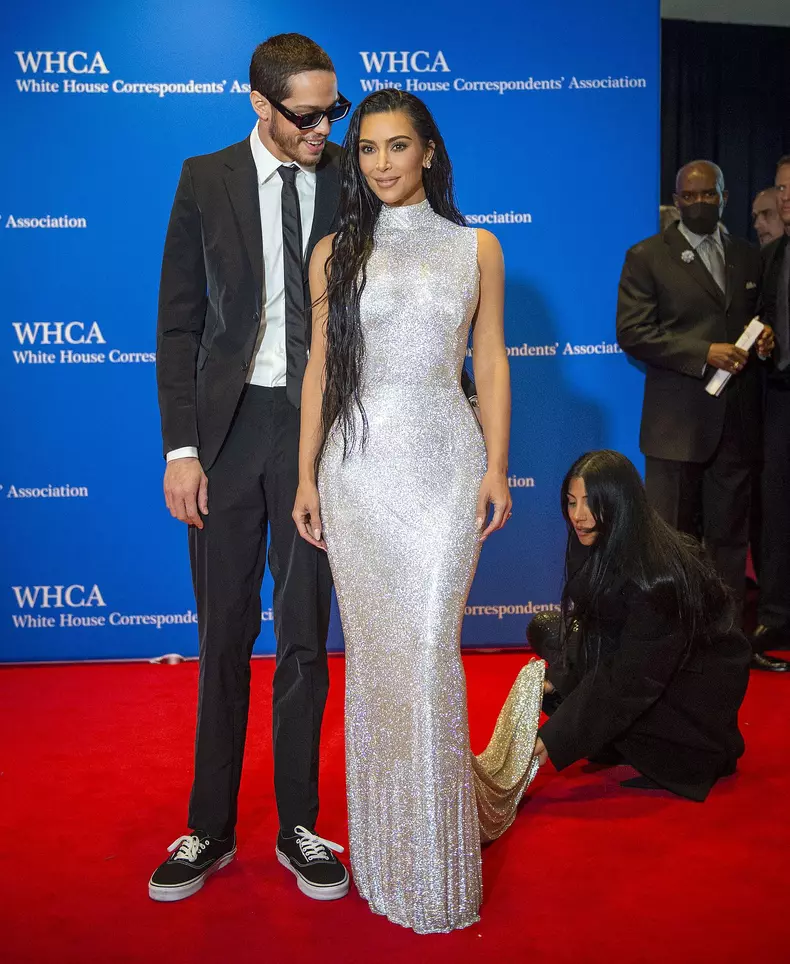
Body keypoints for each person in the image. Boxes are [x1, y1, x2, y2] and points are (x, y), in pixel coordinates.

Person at [293, 89, 544, 934]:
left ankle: (436, 864)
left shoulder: (477, 247)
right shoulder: (334, 253)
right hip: (357, 470)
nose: (381, 163)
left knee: (432, 649)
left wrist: (497, 466)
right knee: (379, 662)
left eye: (398, 146)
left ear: (429, 152)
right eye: (367, 149)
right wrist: (306, 478)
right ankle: (389, 847)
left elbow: (491, 359)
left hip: (444, 466)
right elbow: (321, 370)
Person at [149, 34, 351, 903]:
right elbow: (179, 325)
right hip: (227, 435)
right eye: (306, 115)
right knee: (223, 633)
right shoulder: (205, 179)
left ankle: (300, 824)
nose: (323, 129)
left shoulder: (350, 177)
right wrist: (182, 449)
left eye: (333, 111)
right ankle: (210, 827)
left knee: (304, 632)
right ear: (260, 104)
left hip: (317, 432)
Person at [616, 159, 788, 672]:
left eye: (707, 195)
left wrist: (764, 341)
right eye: (687, 196)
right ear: (676, 200)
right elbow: (633, 332)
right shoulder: (646, 256)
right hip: (674, 429)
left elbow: (757, 320)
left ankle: (727, 650)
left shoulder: (749, 256)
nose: (697, 203)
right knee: (668, 543)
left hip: (736, 425)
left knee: (730, 543)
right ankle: (666, 650)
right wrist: (703, 353)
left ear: (723, 197)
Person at [528, 450, 751, 801]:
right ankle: (609, 737)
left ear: (620, 503)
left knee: (585, 689)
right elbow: (597, 628)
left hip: (687, 698)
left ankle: (647, 746)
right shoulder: (597, 538)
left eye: (591, 503)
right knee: (544, 630)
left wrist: (553, 739)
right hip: (639, 663)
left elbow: (628, 679)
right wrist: (558, 679)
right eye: (571, 502)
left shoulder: (657, 576)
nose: (578, 516)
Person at [752, 156, 790, 655]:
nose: (786, 197)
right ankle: (777, 615)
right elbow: (763, 317)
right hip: (780, 395)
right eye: (781, 188)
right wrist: (765, 341)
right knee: (777, 509)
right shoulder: (773, 255)